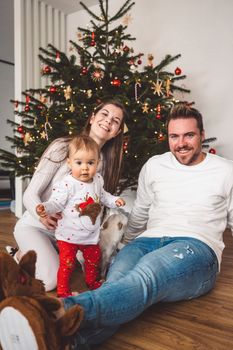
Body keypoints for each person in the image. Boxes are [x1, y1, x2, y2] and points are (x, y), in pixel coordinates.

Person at [52, 102, 233, 348]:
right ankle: (65, 343)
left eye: (189, 135)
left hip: (196, 247)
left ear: (202, 134)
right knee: (117, 286)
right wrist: (126, 246)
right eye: (174, 136)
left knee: (145, 275)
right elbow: (140, 212)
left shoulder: (225, 171)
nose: (181, 143)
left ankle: (55, 312)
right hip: (146, 241)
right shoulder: (155, 165)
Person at [7, 100, 127, 292]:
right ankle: (18, 256)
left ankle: (39, 255)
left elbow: (96, 207)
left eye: (115, 120)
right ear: (92, 118)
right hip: (36, 227)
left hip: (69, 237)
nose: (108, 121)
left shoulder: (107, 165)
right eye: (104, 114)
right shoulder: (61, 147)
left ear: (117, 131)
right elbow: (30, 193)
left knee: (86, 271)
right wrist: (42, 215)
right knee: (49, 281)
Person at [36, 135, 125, 297]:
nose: (85, 168)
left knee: (94, 260)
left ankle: (92, 282)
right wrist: (46, 208)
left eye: (90, 163)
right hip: (68, 237)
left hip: (90, 237)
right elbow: (56, 203)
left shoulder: (97, 180)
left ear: (97, 163)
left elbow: (103, 196)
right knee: (67, 264)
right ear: (69, 162)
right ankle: (63, 291)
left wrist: (115, 200)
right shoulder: (67, 184)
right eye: (79, 163)